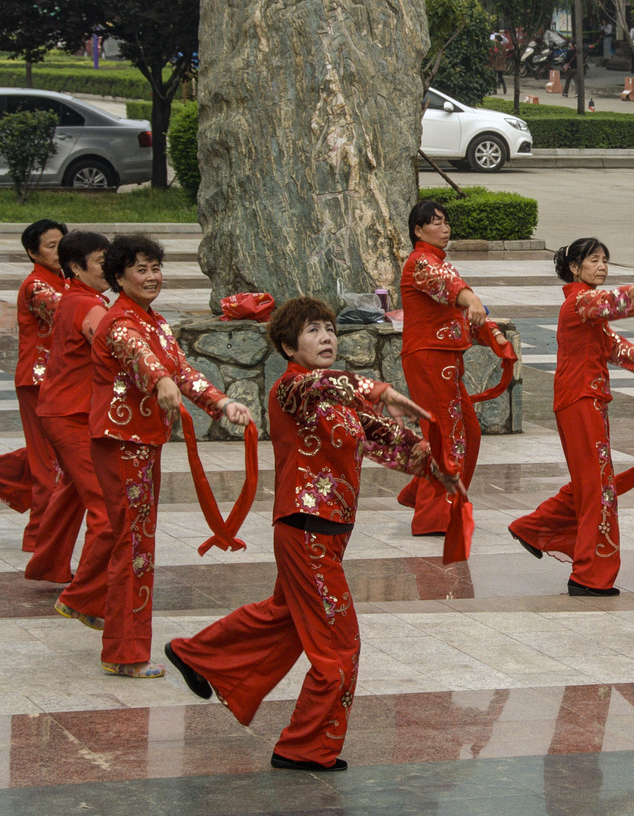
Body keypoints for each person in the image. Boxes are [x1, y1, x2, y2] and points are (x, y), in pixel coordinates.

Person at [167, 297, 454, 773]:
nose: (326, 338)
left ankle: (198, 655)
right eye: (313, 331)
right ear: (287, 346)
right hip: (305, 530)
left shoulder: (342, 397)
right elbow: (327, 383)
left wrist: (442, 471)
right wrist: (378, 386)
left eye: (330, 329)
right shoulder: (293, 389)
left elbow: (385, 439)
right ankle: (304, 745)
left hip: (328, 533)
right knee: (340, 645)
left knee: (284, 617)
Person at [89, 235, 253, 677]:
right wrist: (160, 381)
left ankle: (112, 635)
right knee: (134, 544)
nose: (151, 277)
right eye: (140, 269)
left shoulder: (154, 320)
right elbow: (141, 358)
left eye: (155, 268)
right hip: (124, 442)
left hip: (141, 442)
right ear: (119, 276)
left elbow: (182, 371)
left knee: (132, 539)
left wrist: (220, 403)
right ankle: (125, 653)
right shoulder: (121, 321)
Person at [510, 239, 634, 595]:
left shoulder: (590, 312)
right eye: (594, 260)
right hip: (580, 402)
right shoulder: (581, 302)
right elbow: (612, 301)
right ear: (574, 267)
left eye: (605, 260)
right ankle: (589, 575)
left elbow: (623, 351)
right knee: (598, 490)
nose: (602, 266)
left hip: (588, 402)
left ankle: (534, 527)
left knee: (592, 483)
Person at [0, 218, 84, 573]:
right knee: (50, 459)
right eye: (51, 246)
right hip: (39, 382)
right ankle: (40, 538)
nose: (59, 251)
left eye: (62, 244)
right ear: (33, 253)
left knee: (56, 449)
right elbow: (69, 315)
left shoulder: (68, 280)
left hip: (67, 381)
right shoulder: (37, 286)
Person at [32, 229, 112, 628]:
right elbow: (117, 349)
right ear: (77, 267)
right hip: (71, 416)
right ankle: (83, 597)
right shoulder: (87, 306)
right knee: (107, 510)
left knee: (71, 495)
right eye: (102, 263)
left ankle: (47, 564)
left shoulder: (79, 298)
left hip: (64, 410)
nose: (110, 270)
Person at [397, 200, 489, 536]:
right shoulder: (422, 262)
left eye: (446, 222)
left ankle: (422, 494)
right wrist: (473, 300)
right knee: (447, 435)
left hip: (445, 360)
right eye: (436, 223)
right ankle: (432, 518)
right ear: (418, 230)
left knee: (468, 431)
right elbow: (452, 290)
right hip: (429, 358)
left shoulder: (436, 260)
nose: (445, 228)